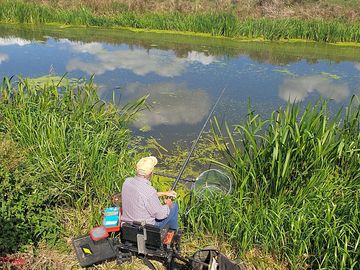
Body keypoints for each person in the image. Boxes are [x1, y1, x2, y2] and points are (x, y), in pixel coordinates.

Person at [121, 156, 179, 230]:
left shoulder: (127, 182)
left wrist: (164, 193)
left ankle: (169, 232)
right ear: (151, 173)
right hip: (146, 229)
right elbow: (160, 215)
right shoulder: (149, 191)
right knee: (174, 206)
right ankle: (173, 233)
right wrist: (168, 204)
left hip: (127, 225)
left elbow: (142, 196)